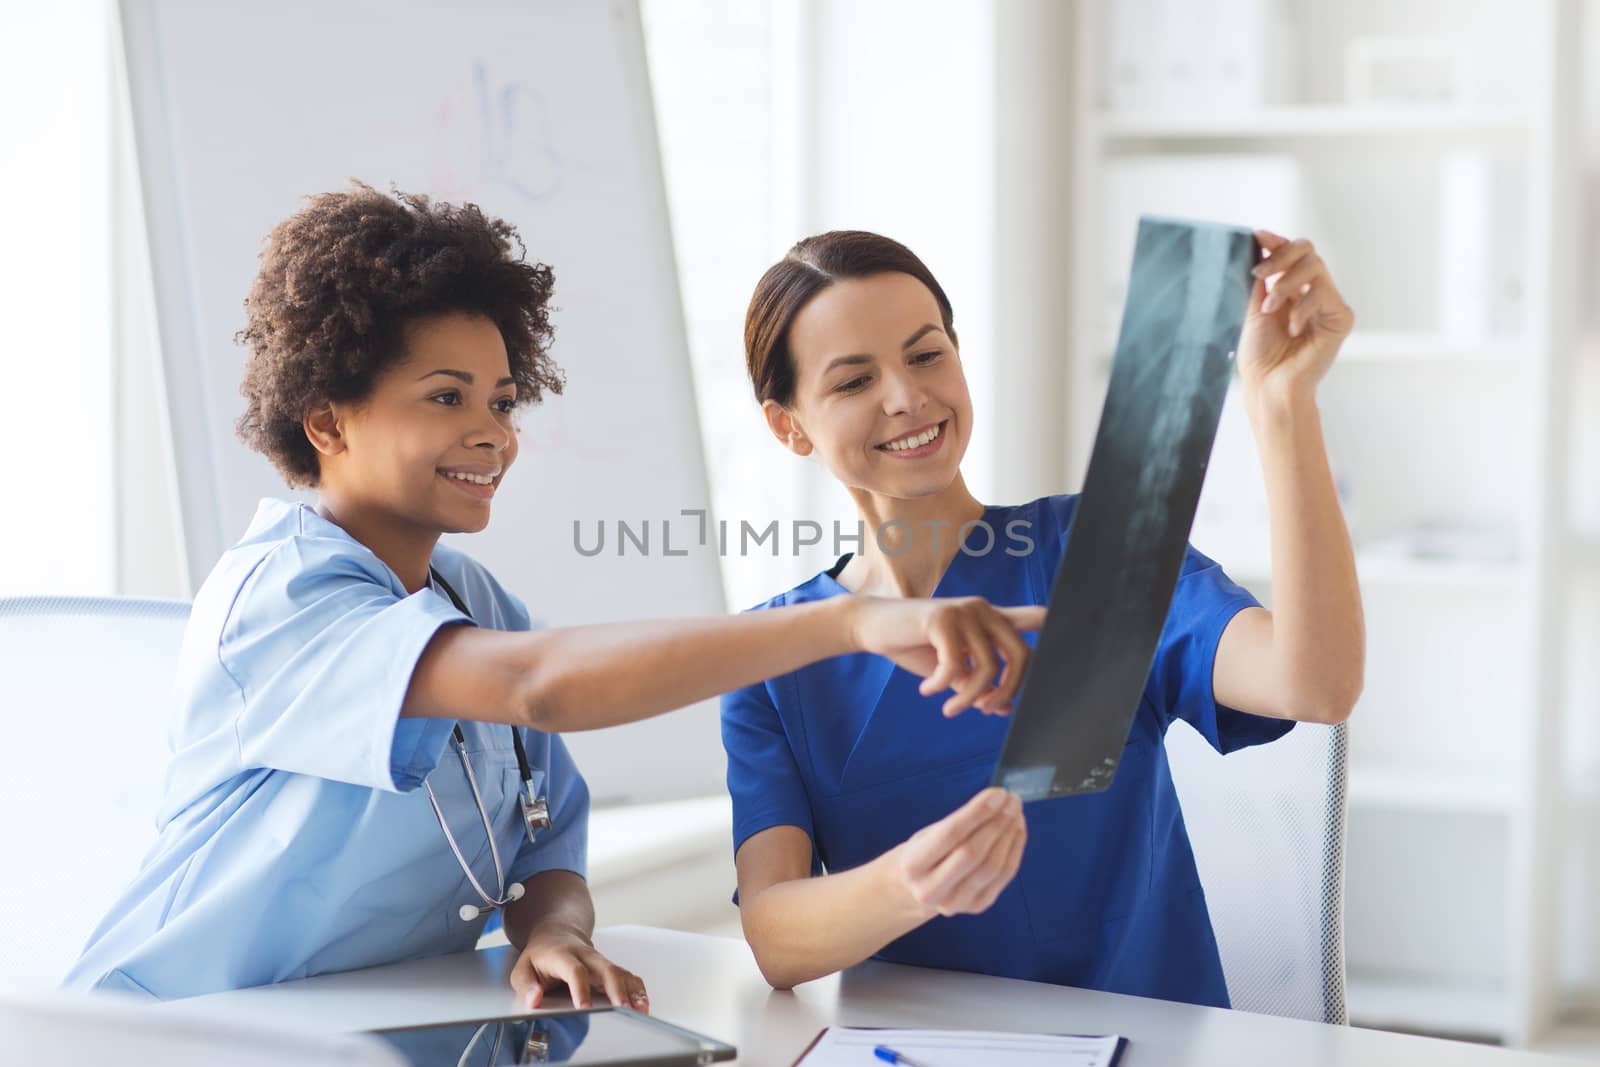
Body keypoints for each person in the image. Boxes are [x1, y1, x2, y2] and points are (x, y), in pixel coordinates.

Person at [64, 188, 1042, 1006]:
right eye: (446, 397)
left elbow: (542, 844)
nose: (491, 432)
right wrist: (848, 622)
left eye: (501, 399)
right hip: (180, 1031)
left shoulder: (476, 597)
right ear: (326, 417)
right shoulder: (279, 597)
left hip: (373, 1026)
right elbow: (538, 686)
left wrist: (552, 933)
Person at [722, 229, 1365, 1005]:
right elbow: (775, 937)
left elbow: (1314, 683)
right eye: (855, 380)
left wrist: (1280, 400)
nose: (906, 396)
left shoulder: (1090, 556)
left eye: (927, 355)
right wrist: (913, 884)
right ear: (788, 424)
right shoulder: (777, 656)